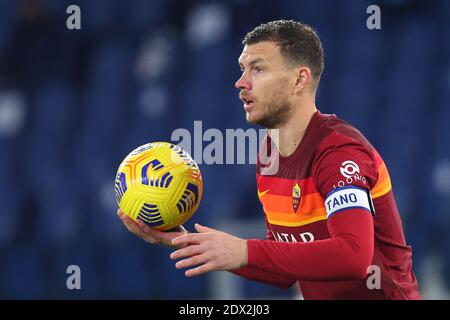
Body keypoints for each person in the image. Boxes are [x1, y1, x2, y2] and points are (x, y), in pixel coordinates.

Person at [117, 20, 421, 300]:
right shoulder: (268, 156)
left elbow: (354, 256)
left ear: (299, 80)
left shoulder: (338, 151)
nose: (240, 82)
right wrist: (186, 244)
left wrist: (244, 250)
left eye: (257, 69)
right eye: (242, 69)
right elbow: (284, 270)